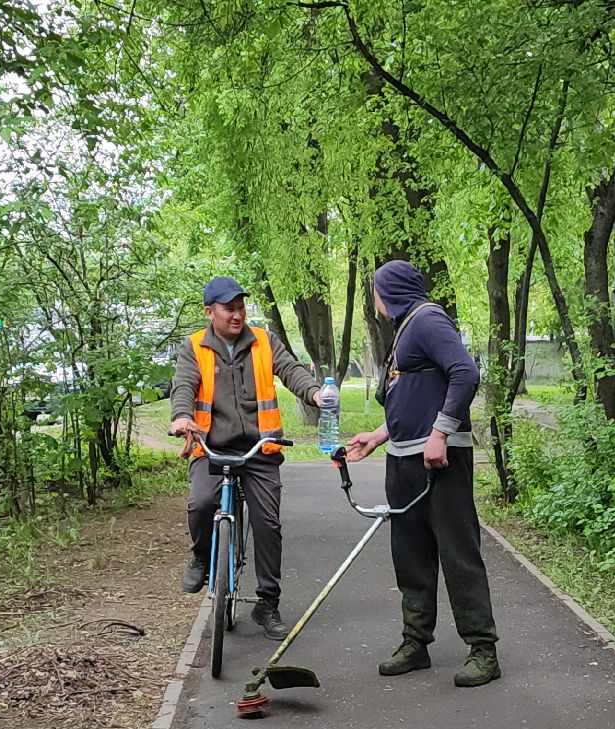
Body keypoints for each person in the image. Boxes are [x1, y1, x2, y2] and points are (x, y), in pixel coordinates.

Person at [342, 260, 501, 687]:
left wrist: (440, 433)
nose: (373, 298)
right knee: (410, 553)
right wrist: (378, 435)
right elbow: (413, 393)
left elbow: (465, 373)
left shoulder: (428, 319)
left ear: (386, 292)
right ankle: (416, 642)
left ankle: (483, 650)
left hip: (439, 459)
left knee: (457, 550)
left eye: (374, 289)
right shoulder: (406, 327)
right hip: (403, 455)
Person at [169, 276, 337, 640]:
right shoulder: (194, 347)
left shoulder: (263, 340)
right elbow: (184, 386)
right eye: (229, 309)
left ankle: (268, 603)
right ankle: (202, 555)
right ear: (210, 312)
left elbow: (291, 370)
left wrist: (313, 394)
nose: (238, 314)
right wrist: (182, 417)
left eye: (241, 307)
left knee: (267, 524)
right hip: (211, 446)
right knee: (201, 503)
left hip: (260, 449)